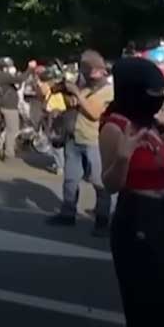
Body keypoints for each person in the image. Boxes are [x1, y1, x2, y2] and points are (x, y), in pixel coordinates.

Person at [100, 57, 164, 327]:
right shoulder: (115, 127)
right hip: (137, 216)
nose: (159, 98)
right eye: (153, 92)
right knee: (146, 302)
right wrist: (124, 157)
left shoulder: (151, 124)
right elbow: (111, 184)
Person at [48, 49, 114, 235]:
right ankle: (67, 214)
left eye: (90, 71)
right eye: (85, 71)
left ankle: (102, 221)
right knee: (70, 179)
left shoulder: (108, 91)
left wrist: (76, 92)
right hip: (74, 138)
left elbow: (93, 113)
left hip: (94, 140)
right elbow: (73, 105)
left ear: (101, 71)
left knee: (99, 182)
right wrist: (64, 90)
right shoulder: (86, 87)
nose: (87, 74)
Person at [0, 57, 21, 161]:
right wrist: (30, 69)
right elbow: (21, 79)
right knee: (12, 130)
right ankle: (9, 153)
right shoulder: (4, 76)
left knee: (5, 129)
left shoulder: (0, 76)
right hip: (9, 107)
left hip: (4, 105)